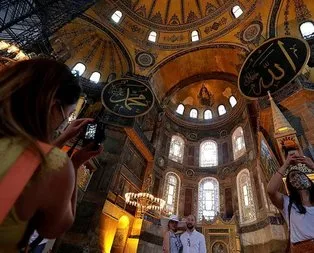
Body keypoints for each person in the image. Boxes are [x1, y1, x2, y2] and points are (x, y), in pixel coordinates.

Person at [0, 58, 103, 252]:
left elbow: (25, 161)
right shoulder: (54, 165)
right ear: (54, 106)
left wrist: (62, 138)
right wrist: (74, 164)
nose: (64, 123)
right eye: (67, 114)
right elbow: (54, 228)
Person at [267, 145, 314, 253]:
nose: (297, 177)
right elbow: (270, 190)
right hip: (302, 249)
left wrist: (312, 165)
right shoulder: (287, 203)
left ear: (308, 180)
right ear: (289, 185)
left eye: (300, 175)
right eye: (293, 177)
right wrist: (286, 164)